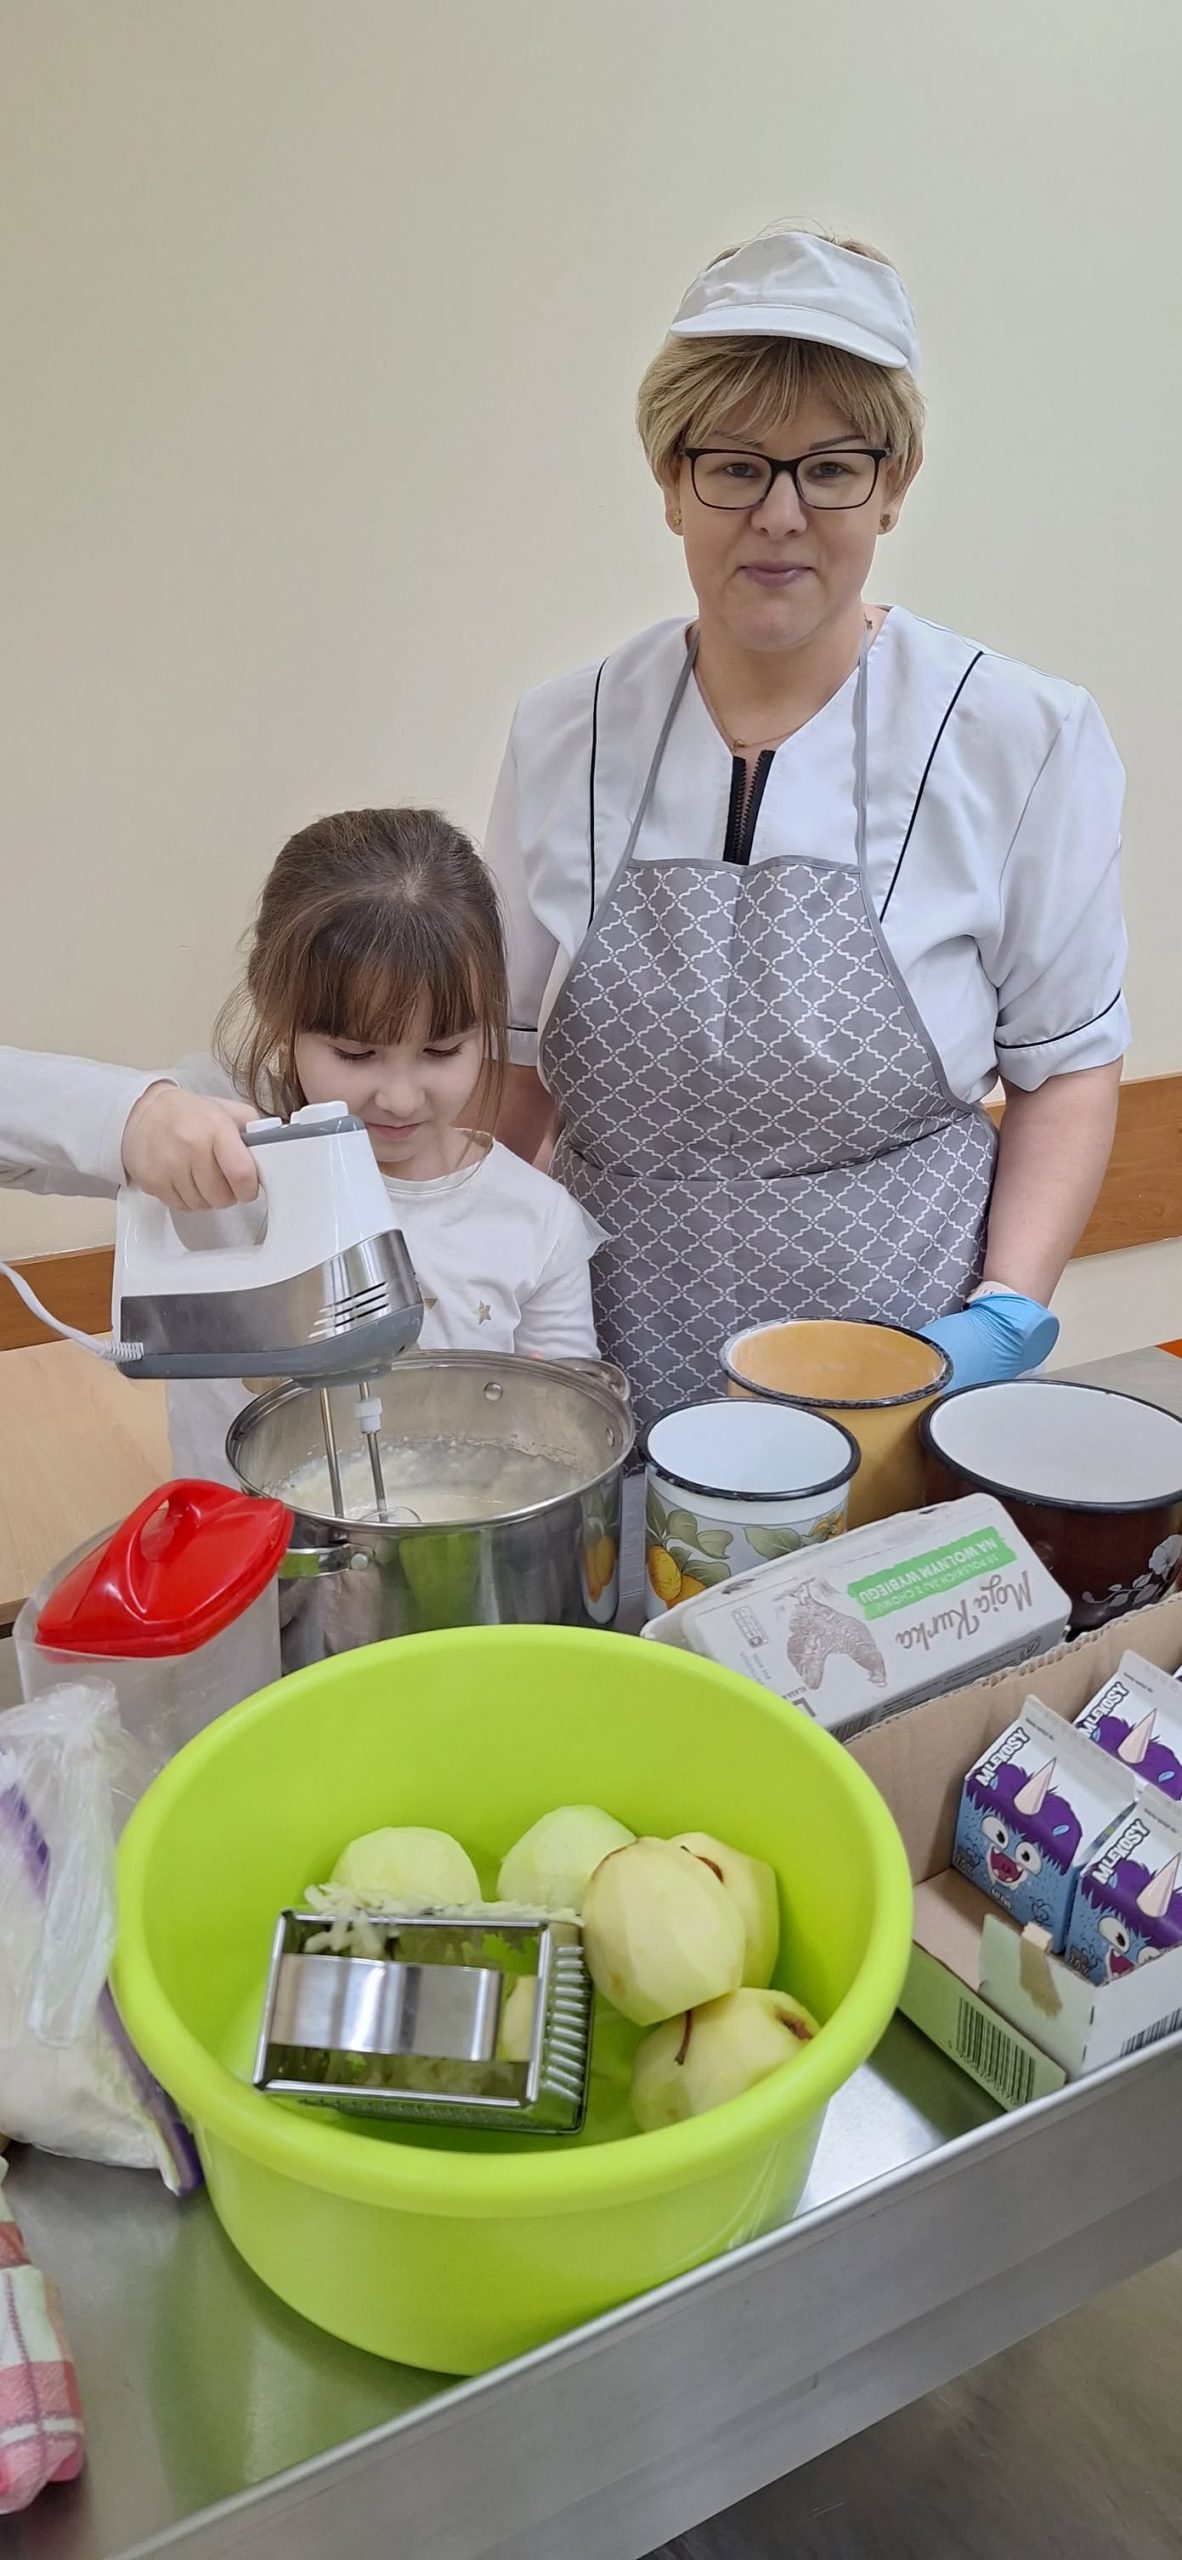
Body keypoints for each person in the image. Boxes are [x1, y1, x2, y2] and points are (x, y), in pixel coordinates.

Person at [486, 226, 1128, 1430]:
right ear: (671, 482)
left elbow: (1067, 1063)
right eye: (735, 466)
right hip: (595, 1368)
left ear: (895, 483)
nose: (779, 515)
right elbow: (513, 1073)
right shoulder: (564, 733)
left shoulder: (1018, 736)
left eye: (830, 468)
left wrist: (1002, 1311)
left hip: (898, 1379)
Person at [0, 808, 601, 1479]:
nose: (401, 1098)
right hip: (236, 1538)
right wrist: (129, 1118)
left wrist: (548, 1418)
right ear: (280, 1016)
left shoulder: (536, 1220)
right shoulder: (219, 1138)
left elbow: (567, 1440)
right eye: (355, 1053)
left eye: (441, 1050)